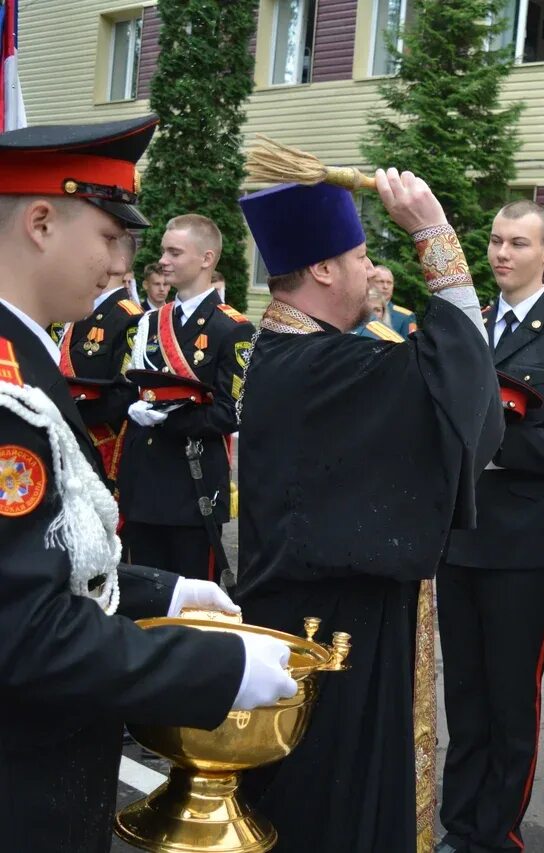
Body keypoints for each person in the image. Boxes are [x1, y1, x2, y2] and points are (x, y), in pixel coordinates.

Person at [0, 115, 295, 853]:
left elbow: (38, 565)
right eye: (111, 237)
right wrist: (216, 667)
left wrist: (156, 593)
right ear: (41, 222)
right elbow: (24, 631)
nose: (124, 264)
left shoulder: (23, 357)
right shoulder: (9, 390)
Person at [233, 171, 504, 853]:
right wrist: (433, 235)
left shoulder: (288, 350)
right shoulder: (322, 366)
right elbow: (467, 399)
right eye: (358, 258)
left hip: (312, 621)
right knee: (334, 812)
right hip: (335, 635)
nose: (369, 270)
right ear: (323, 266)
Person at [437, 199, 544, 853]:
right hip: (462, 536)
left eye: (518, 243)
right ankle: (459, 822)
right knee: (466, 692)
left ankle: (497, 829)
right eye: (496, 241)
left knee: (511, 696)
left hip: (525, 544)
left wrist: (502, 445)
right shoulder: (469, 324)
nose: (502, 254)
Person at [117, 214, 252, 582]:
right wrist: (134, 407)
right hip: (142, 482)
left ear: (206, 259)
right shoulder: (150, 321)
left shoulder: (233, 329)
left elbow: (231, 412)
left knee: (189, 606)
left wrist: (169, 420)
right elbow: (135, 383)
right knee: (140, 602)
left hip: (190, 490)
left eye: (175, 252)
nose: (164, 260)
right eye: (163, 251)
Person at [57, 241, 144, 489]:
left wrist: (68, 414)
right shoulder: (73, 309)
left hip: (99, 446)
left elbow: (124, 393)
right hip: (66, 439)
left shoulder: (130, 317)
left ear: (121, 264)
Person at [372, 264, 420, 336]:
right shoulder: (357, 310)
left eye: (389, 283)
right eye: (381, 282)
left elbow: (409, 346)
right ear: (369, 283)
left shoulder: (406, 317)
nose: (385, 287)